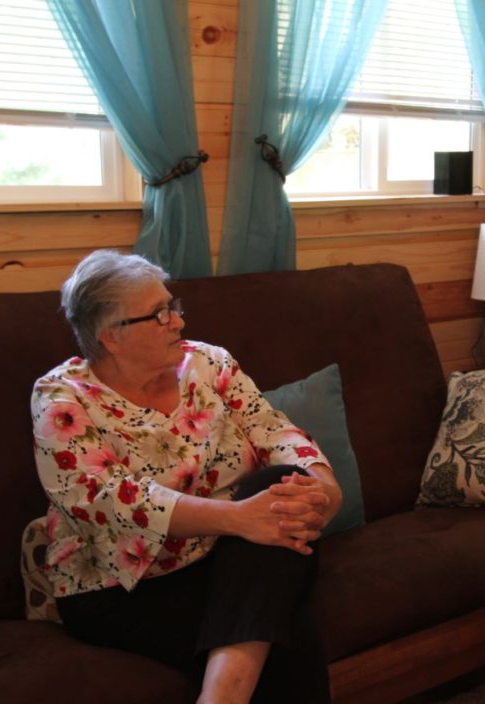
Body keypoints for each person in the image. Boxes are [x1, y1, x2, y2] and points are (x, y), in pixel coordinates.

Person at [30, 249, 342, 704]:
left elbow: (272, 428)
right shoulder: (61, 397)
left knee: (280, 485)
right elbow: (107, 498)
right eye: (158, 315)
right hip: (122, 585)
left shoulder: (209, 364)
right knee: (288, 641)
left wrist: (325, 489)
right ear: (111, 336)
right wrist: (238, 518)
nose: (176, 321)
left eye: (172, 306)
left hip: (225, 557)